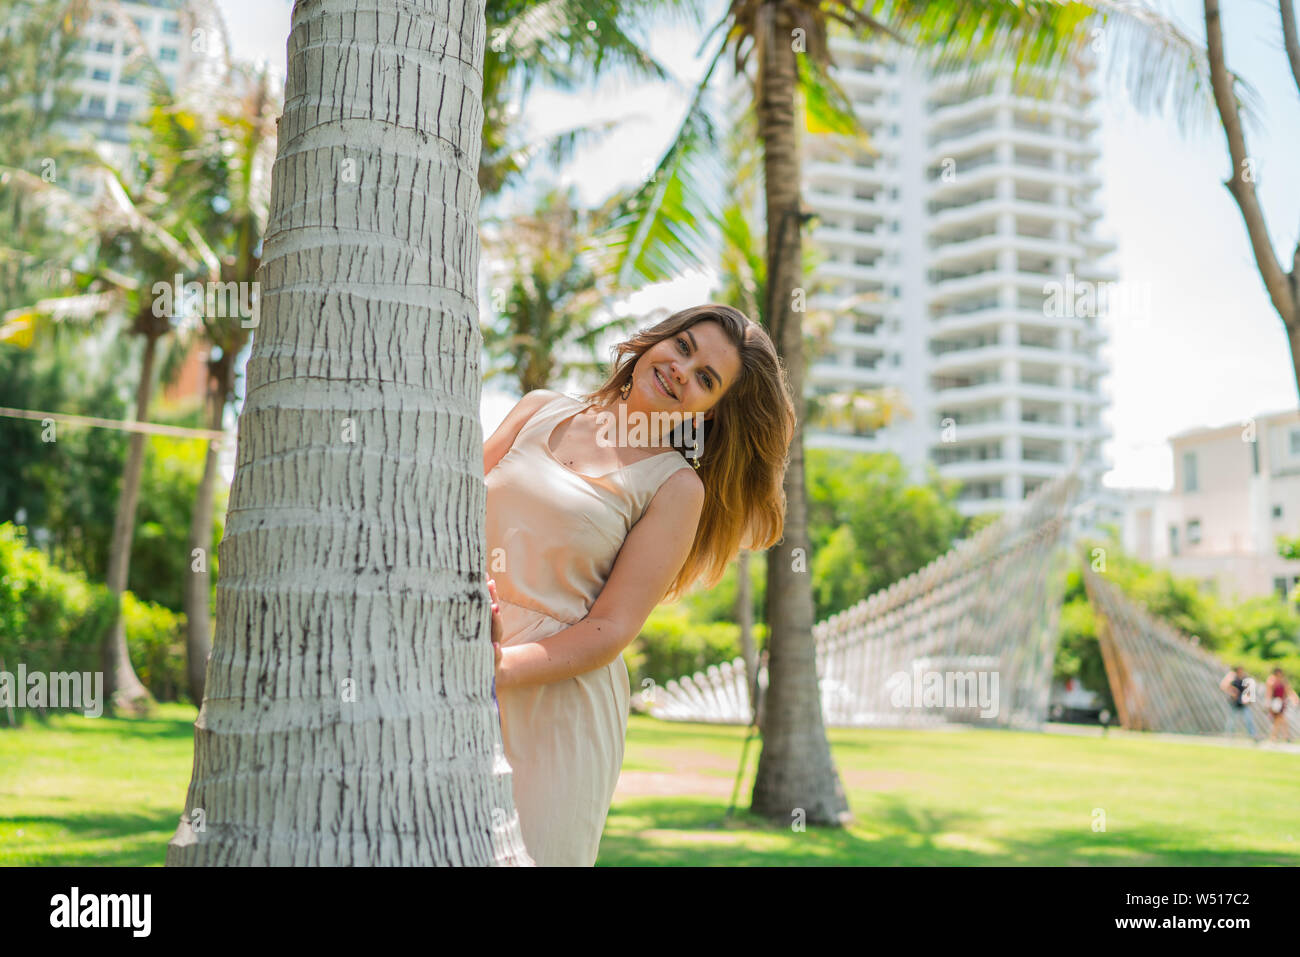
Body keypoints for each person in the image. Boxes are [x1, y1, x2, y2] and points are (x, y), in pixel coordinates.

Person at [481, 304, 794, 866]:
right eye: (683, 347)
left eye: (706, 379)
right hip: (453, 672)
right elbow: (444, 508)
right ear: (655, 341)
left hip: (558, 706)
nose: (681, 370)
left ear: (714, 412)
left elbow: (609, 629)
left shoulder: (675, 487)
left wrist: (495, 667)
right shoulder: (538, 409)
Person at [1219, 665, 1258, 741]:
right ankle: (1228, 736)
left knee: (1248, 719)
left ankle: (1253, 736)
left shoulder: (1245, 678)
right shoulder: (1232, 677)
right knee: (1231, 720)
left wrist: (1248, 699)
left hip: (1243, 703)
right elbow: (1223, 686)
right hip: (1234, 702)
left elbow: (1248, 689)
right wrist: (1232, 691)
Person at [1264, 667, 1299, 743]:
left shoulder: (1283, 681)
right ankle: (1284, 736)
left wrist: (1295, 698)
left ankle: (1277, 737)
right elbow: (1269, 693)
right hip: (1275, 703)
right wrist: (1268, 704)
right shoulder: (1271, 681)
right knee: (1280, 720)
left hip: (1281, 703)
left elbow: (1289, 691)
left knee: (1279, 720)